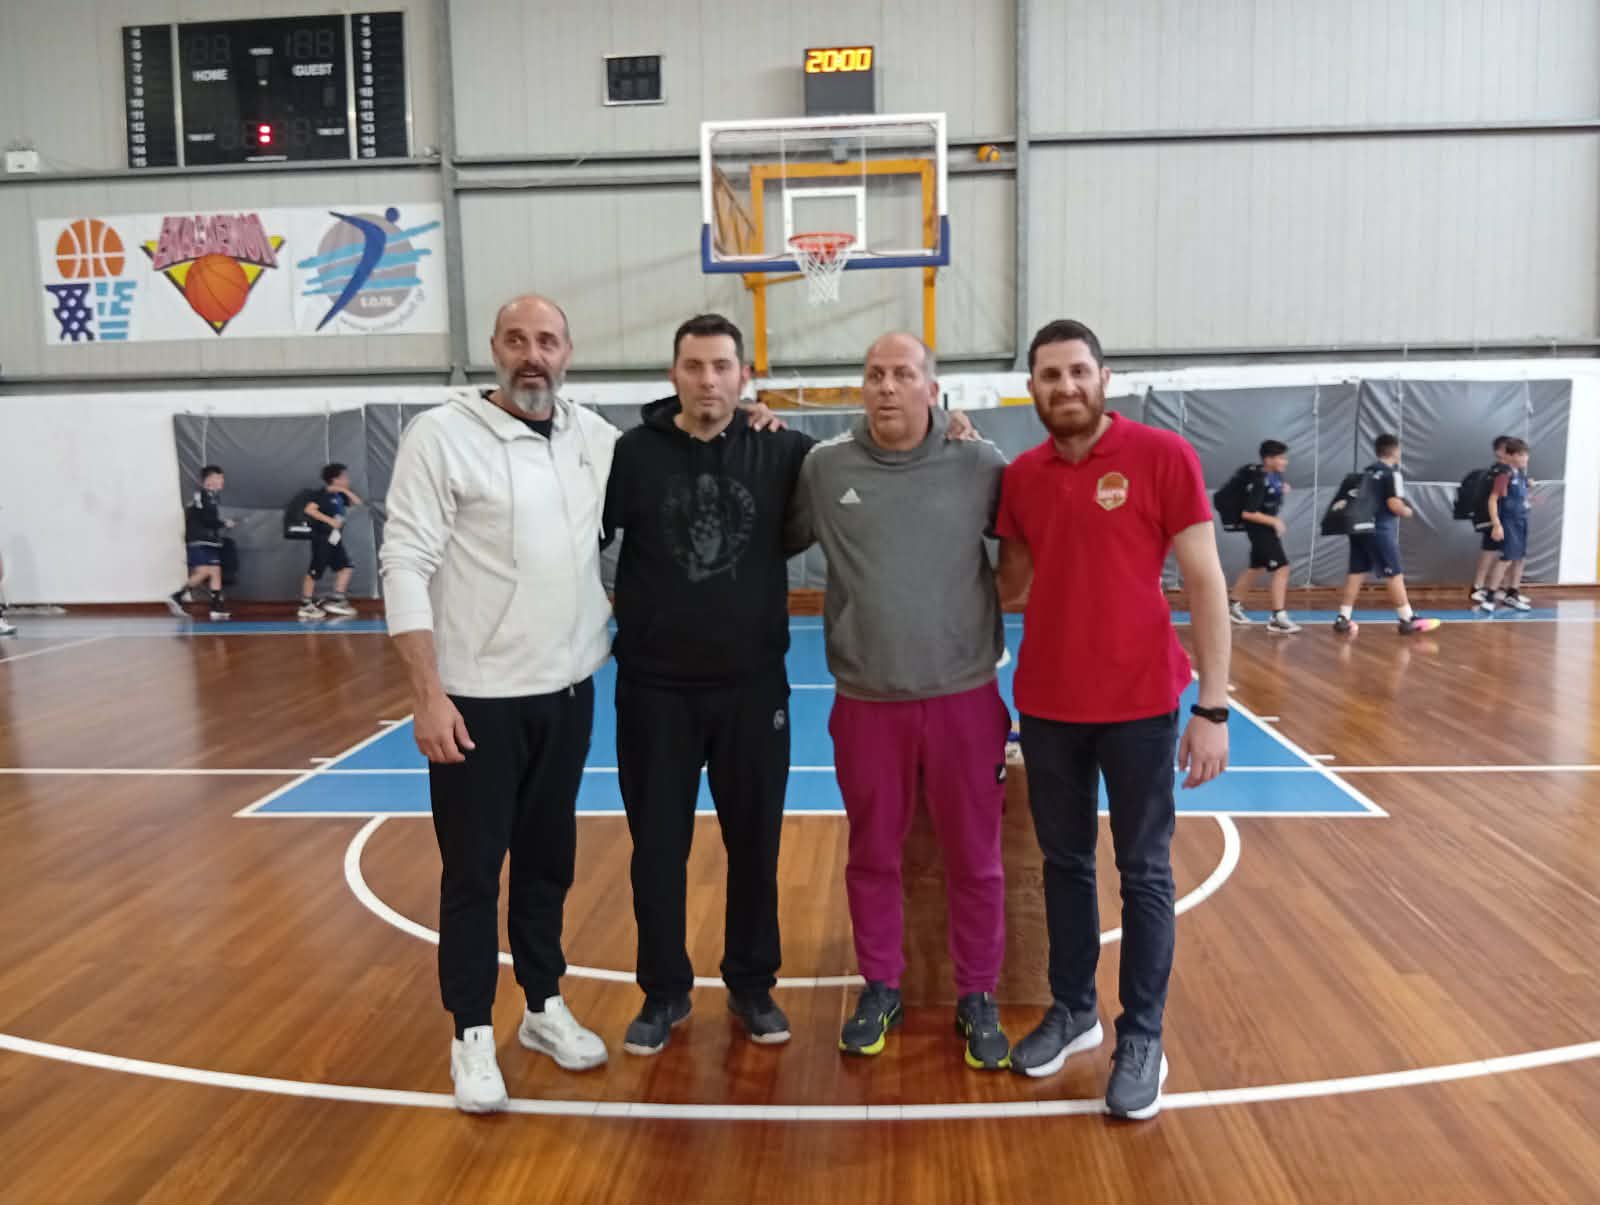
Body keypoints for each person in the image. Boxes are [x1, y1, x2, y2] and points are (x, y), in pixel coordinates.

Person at [380, 294, 615, 1113]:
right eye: (517, 339)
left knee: (548, 864)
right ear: (494, 348)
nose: (532, 354)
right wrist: (427, 693)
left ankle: (544, 1007)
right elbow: (404, 561)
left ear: (567, 351)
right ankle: (472, 1033)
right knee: (474, 874)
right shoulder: (441, 436)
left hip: (569, 691)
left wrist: (757, 415)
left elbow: (679, 447)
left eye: (547, 340)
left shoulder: (594, 438)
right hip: (477, 704)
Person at [994, 319, 1231, 1121]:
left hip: (1141, 706)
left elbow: (1205, 581)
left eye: (1077, 372)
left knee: (1144, 871)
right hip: (1047, 706)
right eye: (1049, 376)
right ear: (1031, 388)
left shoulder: (1163, 456)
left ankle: (1142, 1037)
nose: (1065, 387)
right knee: (1063, 864)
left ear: (1104, 378)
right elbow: (1009, 584)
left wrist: (1213, 707)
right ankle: (1073, 1010)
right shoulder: (1021, 477)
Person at [783, 333, 1013, 1070]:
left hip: (964, 700)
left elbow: (1025, 545)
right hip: (866, 702)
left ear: (931, 388)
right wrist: (757, 422)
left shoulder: (980, 463)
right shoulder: (824, 468)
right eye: (875, 374)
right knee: (872, 853)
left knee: (976, 858)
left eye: (903, 374)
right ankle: (881, 984)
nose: (887, 386)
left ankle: (978, 994)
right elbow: (775, 532)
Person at [603, 314, 814, 1056]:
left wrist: (955, 425)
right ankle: (663, 991)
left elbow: (869, 461)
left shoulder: (783, 448)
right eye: (694, 366)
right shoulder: (630, 454)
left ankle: (752, 984)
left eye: (722, 366)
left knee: (754, 844)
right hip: (653, 690)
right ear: (674, 375)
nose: (708, 379)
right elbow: (581, 535)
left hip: (753, 690)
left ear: (744, 375)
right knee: (657, 850)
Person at [1332, 434, 1442, 637]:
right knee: (1394, 572)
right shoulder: (1392, 474)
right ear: (1396, 451)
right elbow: (1394, 504)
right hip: (1379, 530)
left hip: (1359, 530)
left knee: (1357, 572)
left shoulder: (1366, 472)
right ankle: (1407, 618)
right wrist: (1407, 511)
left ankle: (1343, 617)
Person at [1225, 440, 1301, 634]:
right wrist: (1274, 521)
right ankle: (1278, 617)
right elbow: (1248, 513)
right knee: (1282, 568)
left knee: (1256, 567)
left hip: (1263, 529)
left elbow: (1272, 491)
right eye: (1281, 458)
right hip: (1260, 530)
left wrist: (1281, 488)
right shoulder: (1259, 481)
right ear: (1268, 459)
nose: (1285, 461)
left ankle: (1232, 606)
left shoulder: (1273, 475)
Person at [168, 465, 234, 621]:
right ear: (209, 479)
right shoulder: (202, 496)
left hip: (209, 540)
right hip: (199, 540)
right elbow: (207, 520)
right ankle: (177, 596)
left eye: (222, 478)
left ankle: (216, 608)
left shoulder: (211, 497)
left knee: (215, 571)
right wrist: (224, 523)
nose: (222, 481)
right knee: (204, 571)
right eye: (219, 477)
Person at [298, 463, 363, 619]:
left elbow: (357, 502)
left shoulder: (340, 496)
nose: (347, 479)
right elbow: (309, 510)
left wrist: (344, 490)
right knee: (315, 571)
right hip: (322, 538)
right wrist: (330, 521)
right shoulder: (322, 494)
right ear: (335, 479)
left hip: (335, 539)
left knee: (346, 567)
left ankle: (337, 600)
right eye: (344, 477)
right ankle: (306, 605)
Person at [1478, 437, 1533, 613]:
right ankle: (1489, 597)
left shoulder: (1521, 475)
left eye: (1526, 454)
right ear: (1510, 456)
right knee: (1506, 559)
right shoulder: (1504, 475)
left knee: (1520, 558)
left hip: (1521, 521)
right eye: (1521, 455)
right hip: (1508, 522)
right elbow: (1492, 500)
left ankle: (1512, 594)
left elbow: (1520, 496)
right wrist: (1497, 524)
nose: (1525, 458)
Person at [1468, 435, 1514, 606]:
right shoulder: (1500, 471)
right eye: (1508, 449)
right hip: (1493, 518)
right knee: (1494, 552)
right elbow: (1495, 498)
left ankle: (1495, 587)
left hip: (1495, 518)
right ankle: (1480, 587)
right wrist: (1495, 522)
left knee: (1496, 552)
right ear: (1499, 452)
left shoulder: (1500, 470)